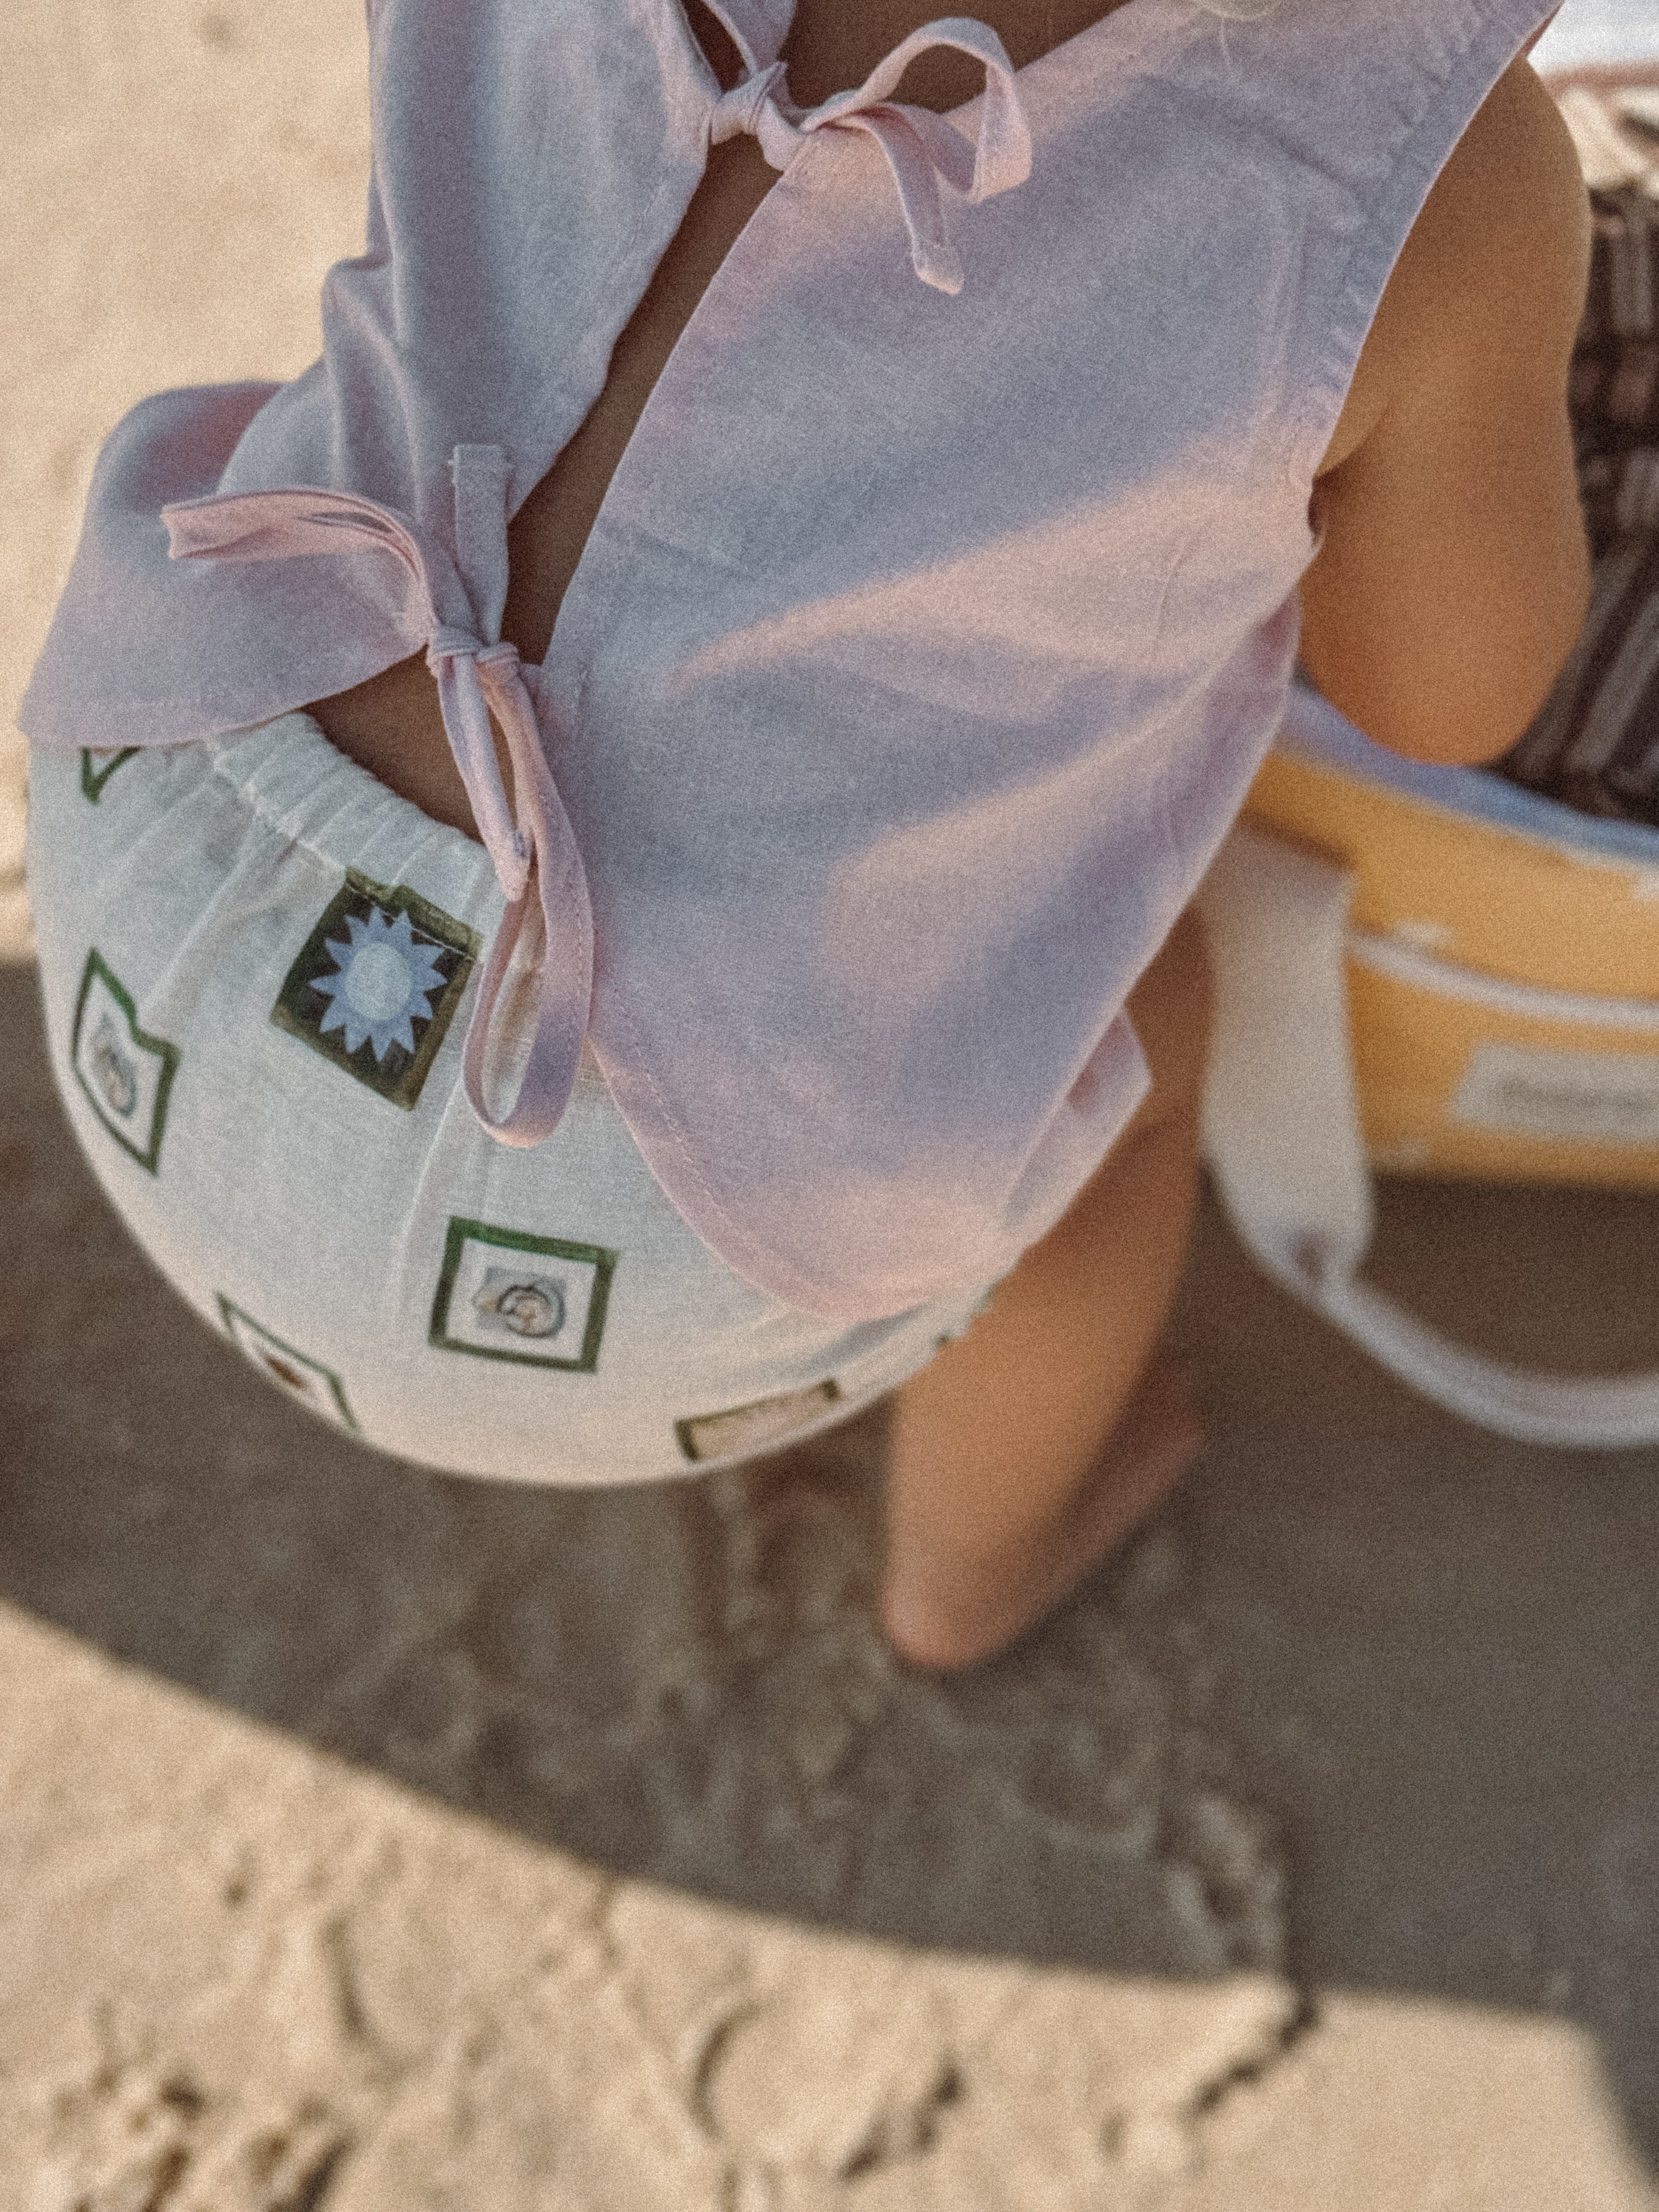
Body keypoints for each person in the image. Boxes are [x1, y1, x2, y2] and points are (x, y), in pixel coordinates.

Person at [22, 0, 1590, 1670]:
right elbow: (1446, 694)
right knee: (1156, 1028)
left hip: (163, 883)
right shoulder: (1418, 171)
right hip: (644, 1241)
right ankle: (969, 1571)